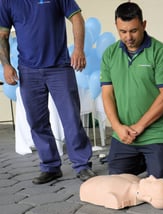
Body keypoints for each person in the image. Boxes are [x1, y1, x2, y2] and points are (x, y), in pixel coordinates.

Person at [0, 0, 96, 184]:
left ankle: (82, 165)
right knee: (37, 122)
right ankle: (50, 166)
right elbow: (2, 35)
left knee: (71, 119)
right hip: (28, 70)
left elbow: (77, 18)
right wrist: (6, 65)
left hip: (59, 67)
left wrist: (78, 50)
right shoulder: (7, 2)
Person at [100, 2, 163, 184]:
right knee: (117, 181)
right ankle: (145, 160)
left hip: (155, 132)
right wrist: (117, 127)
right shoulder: (110, 54)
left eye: (133, 30)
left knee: (158, 182)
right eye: (122, 32)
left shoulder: (161, 52)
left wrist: (140, 126)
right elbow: (107, 94)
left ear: (144, 24)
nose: (128, 37)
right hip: (124, 134)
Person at [80, 174, 163, 209]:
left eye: (152, 182)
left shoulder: (117, 197)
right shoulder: (135, 178)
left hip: (88, 187)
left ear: (148, 198)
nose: (151, 177)